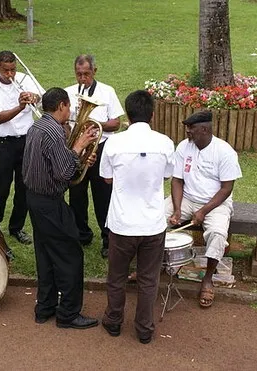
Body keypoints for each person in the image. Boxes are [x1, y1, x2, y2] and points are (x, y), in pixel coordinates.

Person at [99, 90, 174, 344]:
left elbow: (107, 178)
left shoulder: (113, 143)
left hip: (122, 224)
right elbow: (166, 175)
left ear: (128, 116)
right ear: (152, 114)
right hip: (152, 224)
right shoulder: (165, 142)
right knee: (148, 280)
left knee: (117, 277)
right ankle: (144, 329)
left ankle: (113, 321)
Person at [22, 87, 99, 329]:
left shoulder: (36, 127)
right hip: (50, 203)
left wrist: (80, 158)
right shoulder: (54, 132)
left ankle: (44, 309)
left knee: (45, 255)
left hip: (34, 200)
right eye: (70, 107)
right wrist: (78, 147)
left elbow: (53, 164)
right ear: (62, 106)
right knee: (70, 255)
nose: (73, 111)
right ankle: (68, 314)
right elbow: (64, 172)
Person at [166, 110, 242, 308]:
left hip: (216, 203)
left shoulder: (225, 152)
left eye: (191, 129)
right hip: (187, 198)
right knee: (155, 218)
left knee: (217, 233)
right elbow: (177, 180)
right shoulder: (184, 147)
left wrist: (203, 211)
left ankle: (208, 278)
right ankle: (150, 266)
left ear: (205, 129)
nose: (188, 132)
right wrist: (176, 210)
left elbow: (226, 189)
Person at [0, 50, 44, 245]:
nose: (10, 74)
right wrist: (20, 106)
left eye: (13, 70)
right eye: (6, 70)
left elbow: (42, 98)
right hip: (4, 143)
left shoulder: (24, 78)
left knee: (24, 187)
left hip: (26, 139)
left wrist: (34, 97)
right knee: (1, 187)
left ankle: (16, 227)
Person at [65, 54, 125, 258]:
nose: (83, 78)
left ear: (95, 72)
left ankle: (107, 238)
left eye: (87, 74)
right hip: (76, 148)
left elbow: (116, 123)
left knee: (103, 196)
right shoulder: (69, 92)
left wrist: (92, 124)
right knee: (77, 194)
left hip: (100, 147)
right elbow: (63, 122)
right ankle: (81, 234)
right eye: (79, 74)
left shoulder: (107, 91)